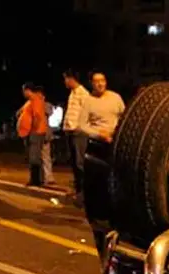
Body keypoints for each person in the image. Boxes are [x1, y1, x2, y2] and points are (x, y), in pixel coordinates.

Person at [78, 71, 125, 256]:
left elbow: (125, 115)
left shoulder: (115, 98)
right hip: (98, 144)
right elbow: (81, 125)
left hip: (115, 142)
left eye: (102, 80)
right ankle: (99, 214)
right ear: (92, 84)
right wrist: (99, 134)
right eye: (96, 82)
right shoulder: (89, 101)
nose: (100, 84)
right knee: (98, 180)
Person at [62, 69, 90, 203]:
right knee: (74, 162)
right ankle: (78, 190)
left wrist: (80, 127)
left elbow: (87, 112)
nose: (65, 82)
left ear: (71, 78)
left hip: (78, 132)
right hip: (70, 131)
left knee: (80, 163)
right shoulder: (72, 94)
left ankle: (85, 192)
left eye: (66, 79)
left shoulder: (83, 94)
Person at [17, 83, 48, 187]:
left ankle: (37, 180)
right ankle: (34, 179)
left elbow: (37, 117)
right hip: (31, 132)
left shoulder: (36, 100)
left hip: (36, 132)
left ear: (27, 90)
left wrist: (32, 129)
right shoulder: (30, 101)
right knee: (32, 156)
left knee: (34, 157)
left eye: (23, 91)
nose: (23, 93)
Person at [35, 86, 56, 186]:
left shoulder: (47, 105)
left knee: (46, 157)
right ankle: (40, 177)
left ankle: (49, 177)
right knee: (37, 157)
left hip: (45, 135)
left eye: (39, 96)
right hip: (35, 135)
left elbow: (48, 112)